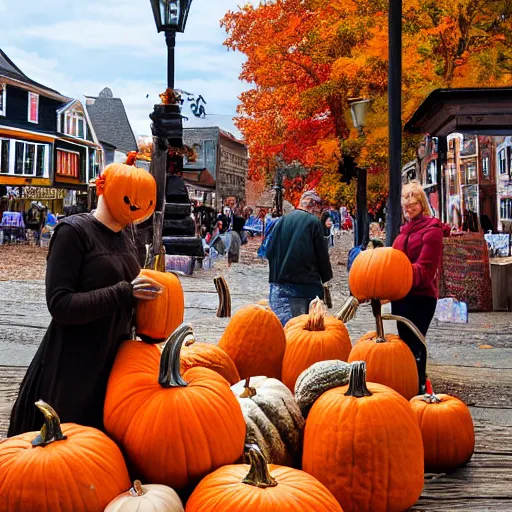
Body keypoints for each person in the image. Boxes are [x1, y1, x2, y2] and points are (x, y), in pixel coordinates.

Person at [8, 165, 162, 436]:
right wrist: (124, 292)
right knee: (69, 452)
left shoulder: (127, 236)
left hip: (116, 364)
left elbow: (129, 301)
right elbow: (60, 305)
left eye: (147, 202)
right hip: (74, 368)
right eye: (130, 197)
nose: (138, 207)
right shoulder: (73, 232)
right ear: (104, 188)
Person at [391, 181, 449, 394]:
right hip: (401, 295)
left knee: (416, 342)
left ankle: (419, 386)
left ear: (422, 204)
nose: (408, 208)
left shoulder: (431, 230)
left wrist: (397, 274)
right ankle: (408, 384)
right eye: (406, 205)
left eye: (413, 204)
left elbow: (425, 269)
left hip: (421, 297)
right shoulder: (404, 231)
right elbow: (393, 260)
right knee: (404, 344)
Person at [267, 190, 333, 326]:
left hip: (278, 287)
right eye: (320, 207)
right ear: (314, 204)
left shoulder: (282, 220)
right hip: (304, 288)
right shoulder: (313, 223)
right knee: (301, 332)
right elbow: (322, 256)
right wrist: (326, 279)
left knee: (283, 333)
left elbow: (268, 250)